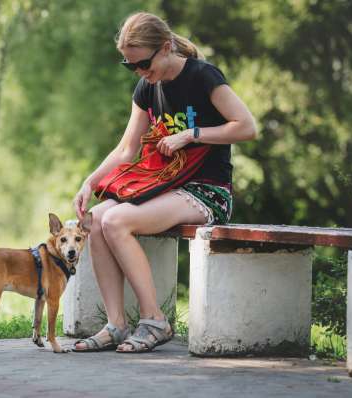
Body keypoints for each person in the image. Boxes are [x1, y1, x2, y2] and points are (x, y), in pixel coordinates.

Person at [72, 12, 257, 353]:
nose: (140, 73)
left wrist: (192, 134)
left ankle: (154, 320)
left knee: (116, 220)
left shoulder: (203, 76)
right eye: (131, 67)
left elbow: (247, 127)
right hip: (165, 185)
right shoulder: (147, 87)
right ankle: (115, 325)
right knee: (96, 219)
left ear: (167, 47)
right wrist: (89, 182)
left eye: (143, 64)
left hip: (207, 191)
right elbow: (127, 149)